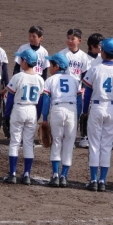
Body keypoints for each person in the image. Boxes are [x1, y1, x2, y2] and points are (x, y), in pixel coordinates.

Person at [81, 38, 113, 191]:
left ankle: (93, 179)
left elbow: (87, 93)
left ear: (103, 52)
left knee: (94, 145)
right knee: (106, 145)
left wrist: (85, 111)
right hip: (112, 109)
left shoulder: (95, 69)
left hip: (96, 107)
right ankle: (102, 180)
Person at [2, 49, 45, 185]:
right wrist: (37, 116)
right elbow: (41, 101)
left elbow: (10, 98)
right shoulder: (40, 79)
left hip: (19, 109)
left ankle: (12, 174)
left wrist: (6, 115)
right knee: (28, 143)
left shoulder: (18, 77)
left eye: (21, 59)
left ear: (25, 61)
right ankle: (26, 174)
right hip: (32, 110)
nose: (20, 61)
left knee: (15, 142)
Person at [41, 53, 82, 187]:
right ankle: (64, 176)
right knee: (69, 143)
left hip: (57, 110)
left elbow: (46, 100)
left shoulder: (50, 80)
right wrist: (77, 116)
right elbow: (79, 101)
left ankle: (55, 175)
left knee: (56, 142)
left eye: (51, 64)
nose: (49, 67)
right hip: (72, 111)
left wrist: (45, 117)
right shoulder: (75, 80)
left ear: (57, 66)